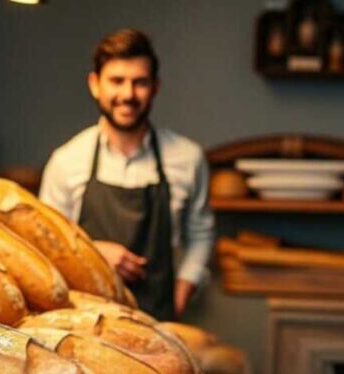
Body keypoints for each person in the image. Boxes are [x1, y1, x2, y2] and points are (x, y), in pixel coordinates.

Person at [39, 28, 215, 321]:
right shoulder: (67, 161)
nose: (128, 95)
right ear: (95, 85)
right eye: (117, 81)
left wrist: (182, 292)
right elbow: (46, 243)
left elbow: (201, 235)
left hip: (160, 324)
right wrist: (92, 252)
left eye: (140, 83)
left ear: (155, 87)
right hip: (82, 326)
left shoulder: (188, 158)